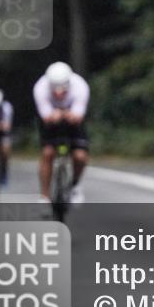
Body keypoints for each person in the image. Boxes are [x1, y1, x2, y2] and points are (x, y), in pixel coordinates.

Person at [33, 62, 90, 203]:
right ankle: (45, 196)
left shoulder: (80, 86)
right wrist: (57, 115)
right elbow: (46, 116)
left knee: (80, 157)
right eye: (55, 89)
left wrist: (64, 114)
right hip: (50, 123)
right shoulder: (40, 87)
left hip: (73, 123)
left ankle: (75, 185)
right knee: (47, 153)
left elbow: (78, 115)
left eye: (63, 89)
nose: (59, 93)